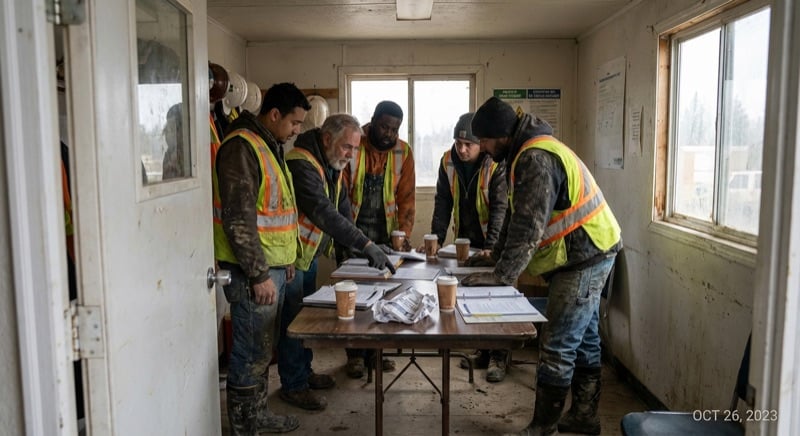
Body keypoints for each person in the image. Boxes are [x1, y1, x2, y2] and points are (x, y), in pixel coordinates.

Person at [462, 97, 622, 436]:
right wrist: (494, 256)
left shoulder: (535, 158)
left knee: (558, 343)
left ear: (501, 134)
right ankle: (584, 415)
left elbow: (528, 229)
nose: (485, 149)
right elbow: (515, 216)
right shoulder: (523, 153)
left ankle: (543, 427)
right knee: (586, 337)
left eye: (486, 141)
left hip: (584, 256)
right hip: (590, 249)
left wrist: (501, 277)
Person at [278, 113, 397, 410]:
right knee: (294, 323)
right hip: (291, 257)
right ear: (328, 139)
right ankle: (293, 385)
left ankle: (303, 374)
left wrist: (360, 248)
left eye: (356, 149)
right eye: (347, 147)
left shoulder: (330, 163)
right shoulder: (301, 163)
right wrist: (365, 244)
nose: (351, 154)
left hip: (308, 254)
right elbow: (322, 211)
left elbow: (342, 209)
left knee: (304, 321)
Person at [212, 82, 310, 435]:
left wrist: (286, 261)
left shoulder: (269, 145)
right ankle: (244, 427)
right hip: (252, 273)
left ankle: (259, 414)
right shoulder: (241, 146)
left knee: (262, 350)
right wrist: (257, 275)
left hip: (272, 269)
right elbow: (239, 218)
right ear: (274, 115)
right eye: (294, 123)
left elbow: (276, 211)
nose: (297, 130)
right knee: (249, 352)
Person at [426, 112, 511, 382]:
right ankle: (483, 351)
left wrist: (492, 248)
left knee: (497, 298)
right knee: (474, 297)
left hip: (494, 241)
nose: (462, 149)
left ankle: (500, 357)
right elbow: (442, 202)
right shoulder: (447, 161)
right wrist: (437, 238)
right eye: (458, 143)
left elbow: (500, 208)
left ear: (480, 144)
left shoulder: (495, 164)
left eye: (469, 145)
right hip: (465, 238)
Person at [342, 100, 415, 378]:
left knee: (384, 296)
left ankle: (377, 353)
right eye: (384, 126)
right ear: (372, 121)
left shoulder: (403, 151)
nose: (389, 133)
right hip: (352, 231)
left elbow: (406, 199)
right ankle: (355, 355)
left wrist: (403, 235)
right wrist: (347, 237)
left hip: (385, 235)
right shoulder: (354, 144)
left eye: (394, 128)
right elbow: (342, 195)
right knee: (352, 297)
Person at [162, 103, 184, 180]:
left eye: (172, 129)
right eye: (167, 129)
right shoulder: (169, 154)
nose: (167, 134)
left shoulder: (189, 154)